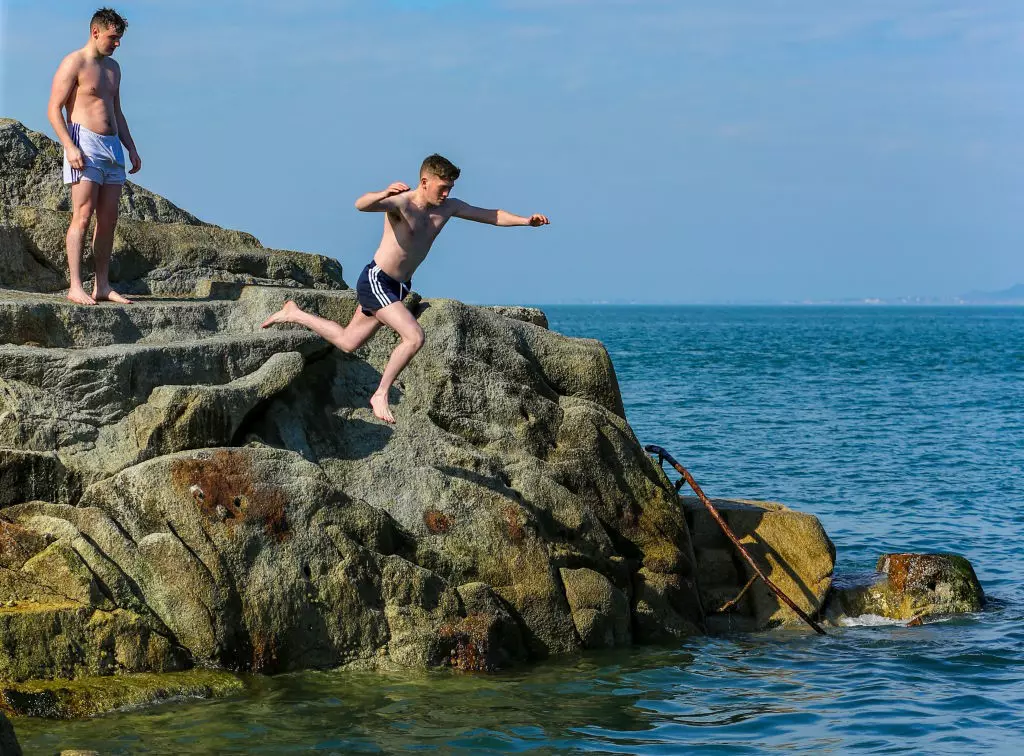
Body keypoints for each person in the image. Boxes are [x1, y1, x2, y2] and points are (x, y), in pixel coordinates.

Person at [262, 154, 550, 423]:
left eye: (450, 187)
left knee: (349, 342)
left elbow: (491, 215)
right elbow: (361, 205)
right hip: (377, 280)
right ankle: (380, 393)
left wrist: (526, 221)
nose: (446, 193)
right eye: (442, 187)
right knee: (414, 337)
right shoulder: (402, 204)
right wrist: (384, 193)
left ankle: (295, 314)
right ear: (424, 182)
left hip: (398, 287)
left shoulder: (449, 207)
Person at [47, 7, 141, 306]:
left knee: (109, 219)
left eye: (120, 38)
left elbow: (117, 112)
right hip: (84, 143)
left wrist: (131, 147)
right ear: (96, 32)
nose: (117, 43)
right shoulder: (73, 62)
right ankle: (75, 285)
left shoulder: (114, 69)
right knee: (83, 215)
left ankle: (102, 285)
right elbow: (54, 109)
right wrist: (69, 146)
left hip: (112, 147)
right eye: (113, 37)